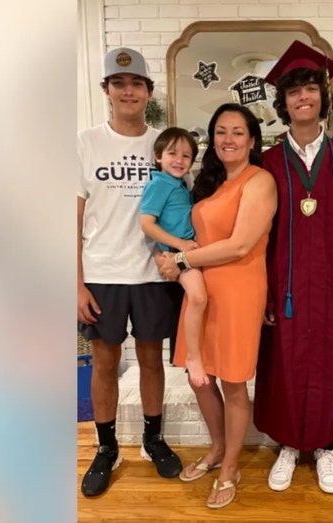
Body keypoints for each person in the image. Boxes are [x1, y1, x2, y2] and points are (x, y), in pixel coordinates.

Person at [157, 103, 277, 509]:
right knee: (198, 376)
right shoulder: (208, 184)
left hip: (239, 288)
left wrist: (182, 261)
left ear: (253, 140)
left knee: (232, 379)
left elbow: (241, 244)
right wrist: (169, 256)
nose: (228, 139)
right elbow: (184, 232)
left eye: (238, 132)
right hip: (200, 292)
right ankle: (217, 447)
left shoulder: (259, 181)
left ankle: (230, 466)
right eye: (221, 131)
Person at [77, 47, 184, 497]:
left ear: (148, 92)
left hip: (152, 272)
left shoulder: (164, 145)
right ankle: (106, 448)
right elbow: (73, 213)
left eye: (136, 84)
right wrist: (74, 281)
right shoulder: (85, 143)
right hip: (101, 271)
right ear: (107, 91)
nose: (128, 91)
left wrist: (178, 257)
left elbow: (179, 209)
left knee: (150, 359)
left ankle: (153, 438)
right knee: (104, 361)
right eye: (118, 84)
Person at [254, 40, 333, 495]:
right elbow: (258, 234)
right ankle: (288, 445)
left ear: (322, 96)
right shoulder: (268, 162)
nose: (303, 97)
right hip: (287, 283)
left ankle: (325, 446)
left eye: (311, 88)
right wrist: (265, 291)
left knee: (332, 361)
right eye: (294, 90)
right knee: (283, 362)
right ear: (284, 101)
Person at [139, 128, 210, 387]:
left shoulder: (179, 183)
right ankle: (193, 357)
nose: (179, 160)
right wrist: (179, 245)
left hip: (188, 252)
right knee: (199, 297)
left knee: (201, 300)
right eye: (172, 154)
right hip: (179, 255)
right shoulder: (159, 184)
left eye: (186, 155)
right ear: (158, 156)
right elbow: (147, 223)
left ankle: (197, 353)